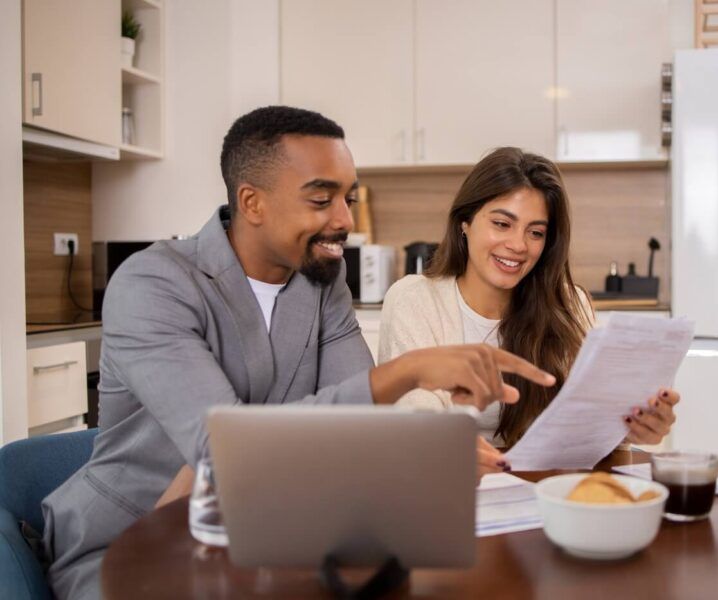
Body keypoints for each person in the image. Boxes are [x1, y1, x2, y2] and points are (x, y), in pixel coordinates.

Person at [41, 108, 554, 600]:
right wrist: (406, 373)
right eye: (321, 199)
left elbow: (360, 430)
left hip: (266, 533)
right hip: (133, 541)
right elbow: (225, 450)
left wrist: (427, 453)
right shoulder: (152, 284)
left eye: (348, 198)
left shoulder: (320, 285)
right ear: (252, 202)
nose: (344, 219)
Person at [378, 147, 680, 475]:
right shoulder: (414, 299)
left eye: (535, 232)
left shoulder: (570, 303)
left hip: (548, 489)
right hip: (451, 485)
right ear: (465, 222)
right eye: (502, 223)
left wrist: (633, 425)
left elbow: (593, 428)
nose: (519, 245)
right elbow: (421, 429)